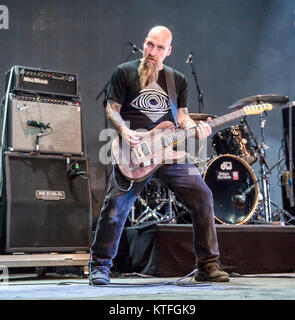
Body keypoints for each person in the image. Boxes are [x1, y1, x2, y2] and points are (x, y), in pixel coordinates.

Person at [89, 26, 229, 285]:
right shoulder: (124, 72)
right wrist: (123, 130)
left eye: (160, 48)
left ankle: (207, 266)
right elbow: (112, 109)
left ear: (169, 51)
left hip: (166, 153)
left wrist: (195, 130)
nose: (153, 52)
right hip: (132, 151)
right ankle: (100, 266)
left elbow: (183, 117)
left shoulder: (178, 80)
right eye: (150, 45)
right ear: (144, 42)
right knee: (114, 208)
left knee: (203, 196)